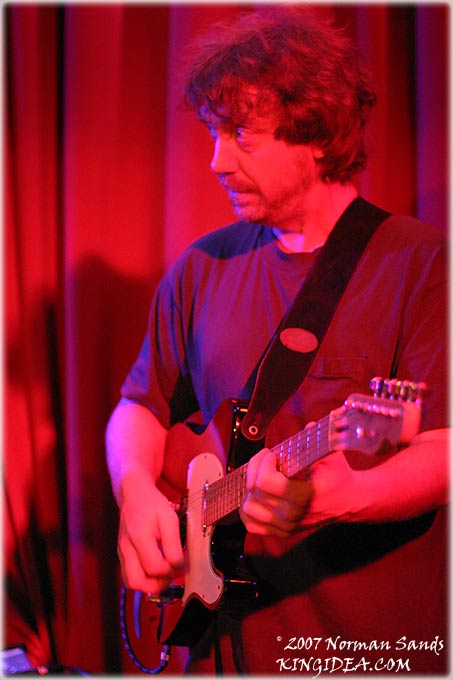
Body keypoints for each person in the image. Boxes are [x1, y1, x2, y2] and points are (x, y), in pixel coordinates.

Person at [106, 7, 449, 675]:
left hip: (364, 650)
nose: (216, 161)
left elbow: (443, 446)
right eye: (213, 133)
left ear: (314, 134)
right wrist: (137, 492)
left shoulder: (422, 264)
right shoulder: (202, 266)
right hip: (216, 646)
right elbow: (138, 406)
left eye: (240, 134)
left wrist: (340, 497)